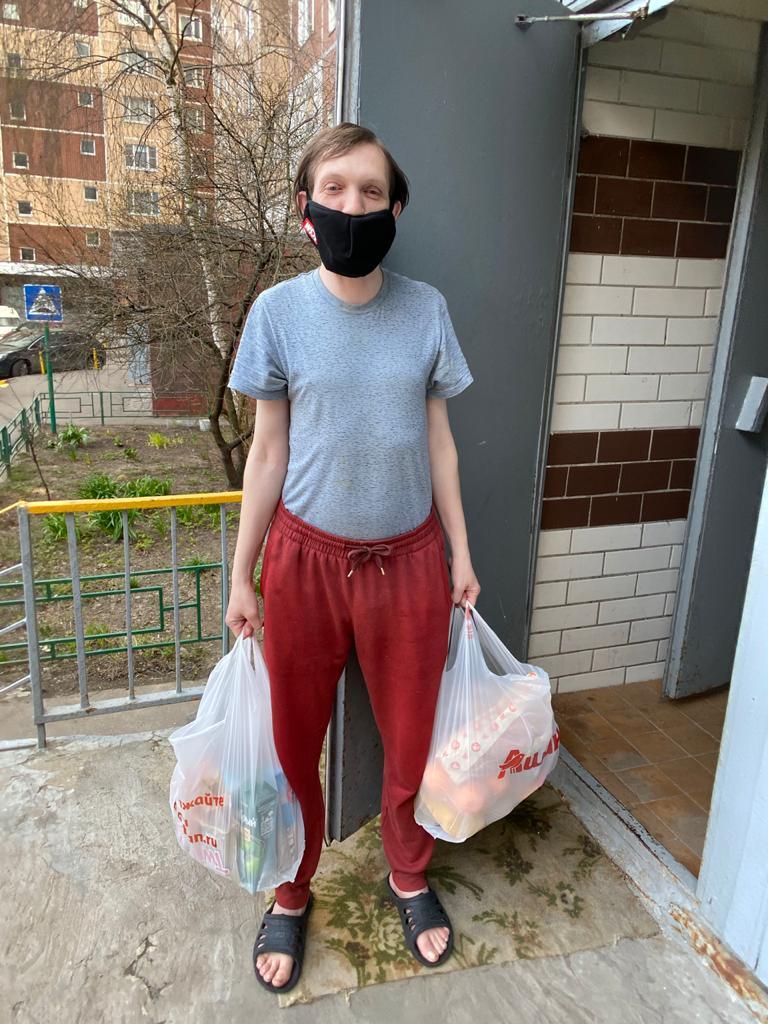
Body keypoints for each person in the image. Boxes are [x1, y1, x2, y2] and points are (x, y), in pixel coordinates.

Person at [226, 121, 481, 994]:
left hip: (409, 561)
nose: (352, 205)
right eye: (334, 189)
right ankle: (290, 890)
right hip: (303, 562)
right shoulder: (277, 314)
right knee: (293, 739)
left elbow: (440, 442)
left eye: (371, 191)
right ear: (306, 207)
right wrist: (242, 574)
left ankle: (408, 875)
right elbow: (266, 453)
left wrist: (461, 554)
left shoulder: (426, 309)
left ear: (395, 209)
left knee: (410, 733)